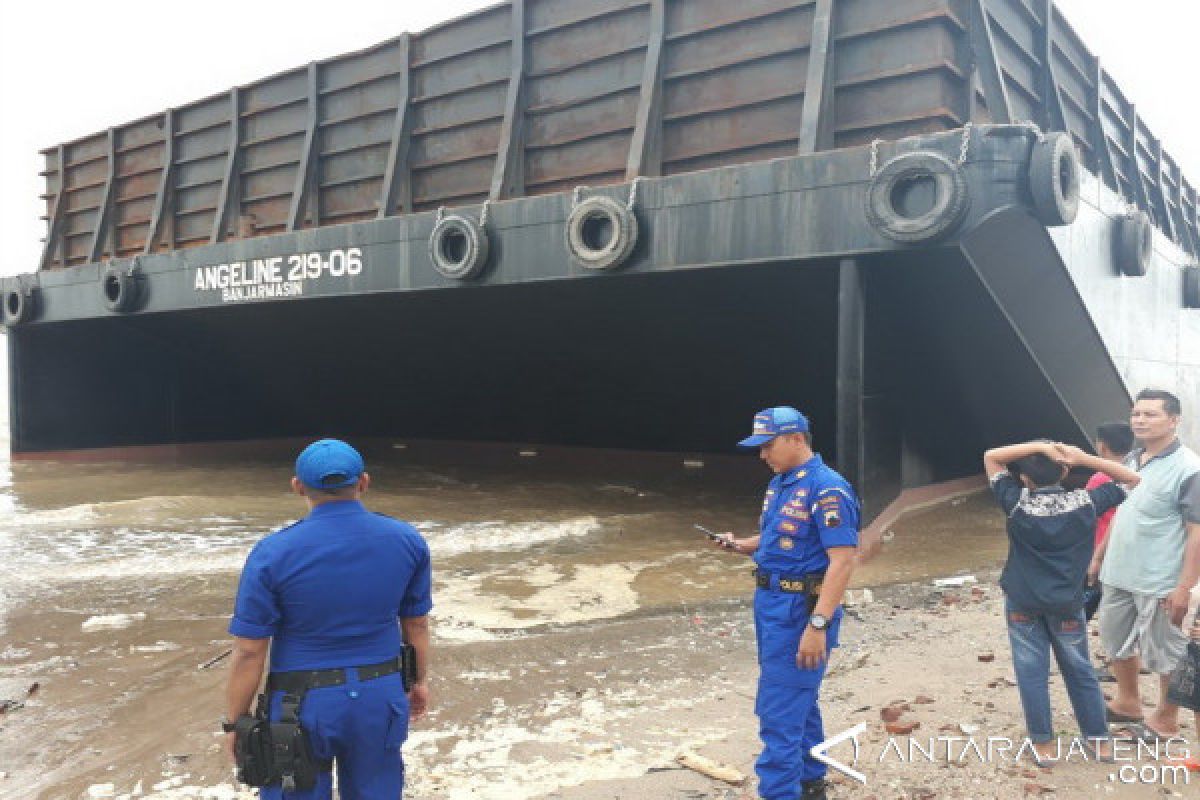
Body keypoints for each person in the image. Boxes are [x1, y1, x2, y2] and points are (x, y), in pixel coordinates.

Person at [223, 438, 433, 799]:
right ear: (364, 482)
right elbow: (416, 625)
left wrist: (235, 723)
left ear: (297, 486)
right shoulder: (407, 540)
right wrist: (418, 681)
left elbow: (249, 651)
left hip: (301, 705)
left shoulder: (272, 553)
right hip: (379, 695)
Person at [715, 407, 858, 800]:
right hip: (771, 603)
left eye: (768, 445)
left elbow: (843, 561)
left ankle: (780, 792)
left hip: (800, 610)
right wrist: (743, 544)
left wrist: (818, 626)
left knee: (778, 710)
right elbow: (779, 536)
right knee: (799, 696)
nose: (763, 455)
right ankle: (811, 781)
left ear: (797, 439)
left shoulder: (828, 489)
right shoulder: (782, 483)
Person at [983, 439, 1139, 764]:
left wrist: (1038, 444)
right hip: (1068, 602)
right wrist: (1085, 458)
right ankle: (1098, 740)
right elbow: (1131, 478)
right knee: (1079, 669)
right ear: (1065, 471)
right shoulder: (1085, 503)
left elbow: (992, 457)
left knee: (1031, 671)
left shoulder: (1016, 503)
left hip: (1023, 601)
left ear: (1025, 479)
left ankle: (1043, 744)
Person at [1092, 388, 1200, 740]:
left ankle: (1165, 720)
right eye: (1136, 414)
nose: (1139, 420)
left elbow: (1196, 532)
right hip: (1119, 572)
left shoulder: (1188, 468)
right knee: (1114, 639)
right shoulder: (1131, 460)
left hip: (1159, 579)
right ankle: (1128, 702)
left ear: (1174, 420)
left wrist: (1184, 586)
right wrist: (1098, 556)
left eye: (1150, 414)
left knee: (1166, 651)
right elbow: (1123, 513)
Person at [1083, 422, 1136, 621]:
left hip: (1100, 550)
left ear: (1102, 446)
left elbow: (1085, 514)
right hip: (1126, 551)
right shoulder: (1136, 474)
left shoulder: (1099, 478)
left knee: (1092, 601)